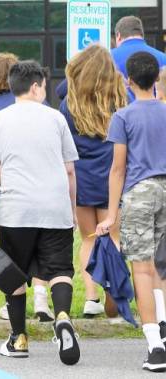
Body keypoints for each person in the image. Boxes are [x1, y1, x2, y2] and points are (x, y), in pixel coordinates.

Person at [0, 61, 80, 365]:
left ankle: (19, 338)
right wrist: (72, 210)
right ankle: (62, 316)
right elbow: (70, 171)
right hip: (55, 206)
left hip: (15, 211)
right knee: (60, 269)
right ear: (36, 86)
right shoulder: (56, 119)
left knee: (15, 274)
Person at [96, 52, 166, 372]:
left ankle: (155, 345)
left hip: (140, 194)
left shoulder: (122, 117)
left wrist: (111, 215)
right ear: (156, 80)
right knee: (163, 268)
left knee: (142, 268)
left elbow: (118, 169)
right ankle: (164, 324)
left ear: (129, 80)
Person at [61, 45, 128, 318]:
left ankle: (92, 298)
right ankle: (114, 295)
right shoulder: (121, 101)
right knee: (113, 238)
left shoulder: (69, 104)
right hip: (113, 175)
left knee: (88, 239)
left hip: (82, 178)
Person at [111, 16, 166, 99]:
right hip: (156, 110)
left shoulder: (108, 58)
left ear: (118, 36)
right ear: (142, 35)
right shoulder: (163, 58)